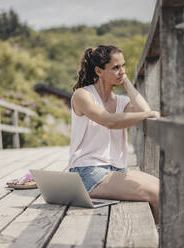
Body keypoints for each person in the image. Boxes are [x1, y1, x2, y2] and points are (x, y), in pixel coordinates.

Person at [68, 45, 160, 223]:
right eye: (116, 68)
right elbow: (110, 121)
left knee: (163, 187)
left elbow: (144, 110)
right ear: (98, 71)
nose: (122, 72)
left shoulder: (121, 102)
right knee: (155, 193)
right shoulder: (83, 95)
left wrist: (126, 83)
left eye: (123, 66)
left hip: (116, 170)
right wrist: (148, 114)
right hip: (88, 172)